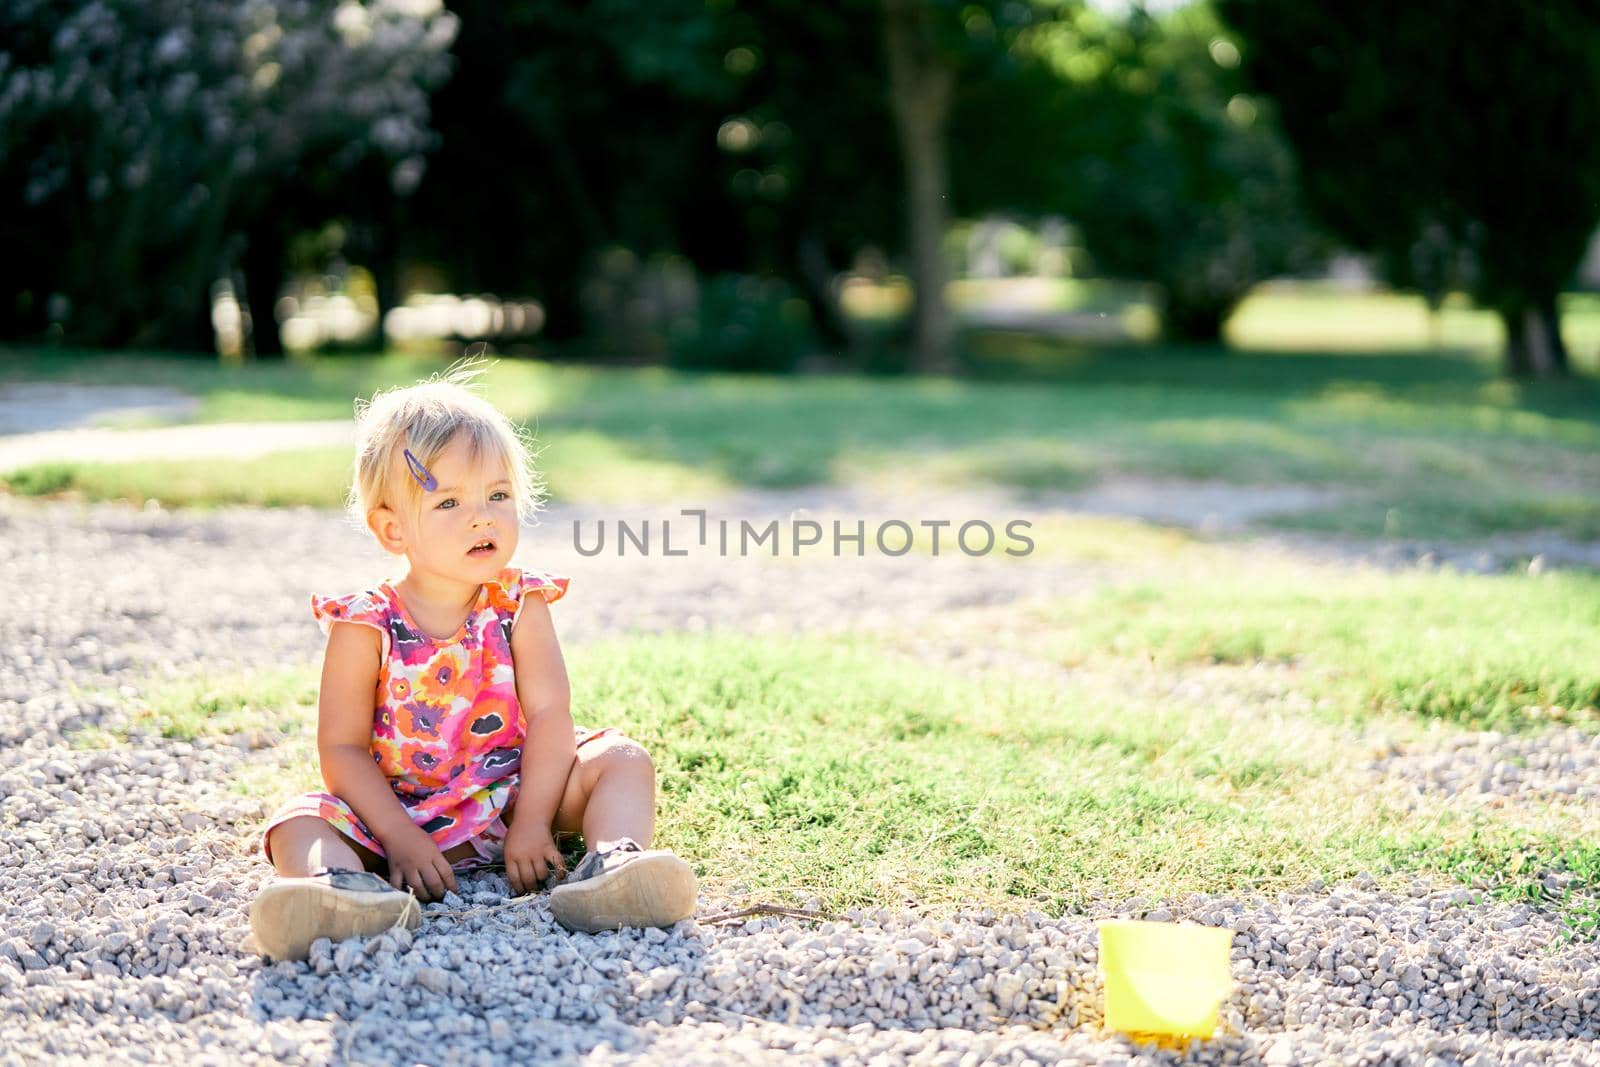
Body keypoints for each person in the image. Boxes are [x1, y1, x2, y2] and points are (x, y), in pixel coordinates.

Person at [248, 363, 696, 961]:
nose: (482, 516)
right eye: (450, 501)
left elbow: (550, 714)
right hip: (399, 810)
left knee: (620, 758)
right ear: (392, 528)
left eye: (498, 495)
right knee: (299, 821)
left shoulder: (518, 602)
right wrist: (400, 837)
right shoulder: (366, 623)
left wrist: (534, 821)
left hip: (512, 794)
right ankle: (335, 891)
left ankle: (613, 868)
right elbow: (343, 750)